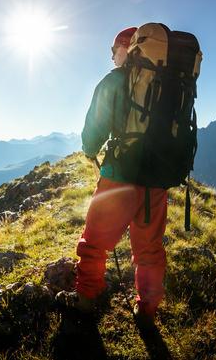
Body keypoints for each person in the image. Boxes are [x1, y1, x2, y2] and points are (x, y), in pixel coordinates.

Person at [57, 26, 168, 330]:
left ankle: (86, 297)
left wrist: (90, 150)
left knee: (95, 241)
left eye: (113, 50)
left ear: (126, 49)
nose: (111, 56)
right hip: (157, 180)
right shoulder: (166, 84)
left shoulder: (115, 80)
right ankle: (146, 309)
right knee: (149, 248)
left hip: (120, 175)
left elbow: (95, 127)